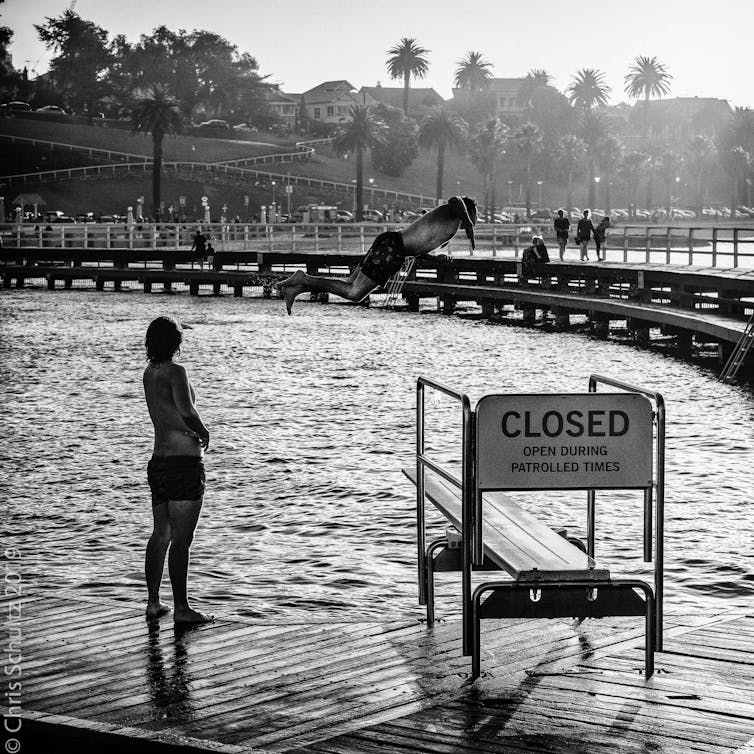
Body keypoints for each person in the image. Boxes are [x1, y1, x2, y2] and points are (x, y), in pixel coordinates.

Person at [278, 196, 477, 314]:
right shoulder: (452, 212)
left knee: (349, 283)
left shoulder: (450, 226)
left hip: (391, 246)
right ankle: (304, 278)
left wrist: (435, 259)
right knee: (354, 293)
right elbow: (456, 199)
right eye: (475, 215)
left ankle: (297, 288)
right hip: (392, 249)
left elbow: (417, 250)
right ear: (469, 212)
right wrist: (468, 225)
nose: (476, 220)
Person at [143, 316, 213, 624]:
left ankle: (153, 603)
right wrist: (203, 432)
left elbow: (165, 415)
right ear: (176, 344)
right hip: (184, 464)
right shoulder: (176, 371)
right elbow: (186, 411)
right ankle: (182, 609)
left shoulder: (149, 373)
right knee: (182, 540)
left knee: (161, 534)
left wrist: (187, 428)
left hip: (158, 461)